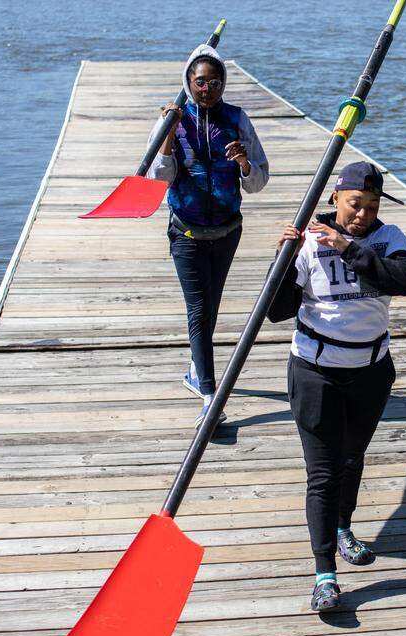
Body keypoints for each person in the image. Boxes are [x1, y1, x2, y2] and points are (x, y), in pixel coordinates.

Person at [267, 162, 406, 612]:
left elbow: (404, 282)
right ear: (335, 197)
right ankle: (324, 575)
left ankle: (343, 528)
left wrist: (350, 246)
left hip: (371, 371)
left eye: (371, 207)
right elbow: (277, 311)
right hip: (316, 373)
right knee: (324, 471)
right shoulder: (309, 240)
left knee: (353, 457)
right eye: (355, 205)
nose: (362, 214)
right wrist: (279, 262)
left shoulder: (389, 238)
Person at [147, 43, 270, 426]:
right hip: (186, 232)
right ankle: (209, 396)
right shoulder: (172, 119)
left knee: (210, 306)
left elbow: (259, 182)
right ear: (188, 81)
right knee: (199, 310)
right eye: (200, 81)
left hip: (228, 231)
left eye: (215, 82)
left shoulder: (236, 119)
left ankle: (194, 370)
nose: (208, 89)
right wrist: (167, 137)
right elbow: (156, 179)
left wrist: (243, 162)